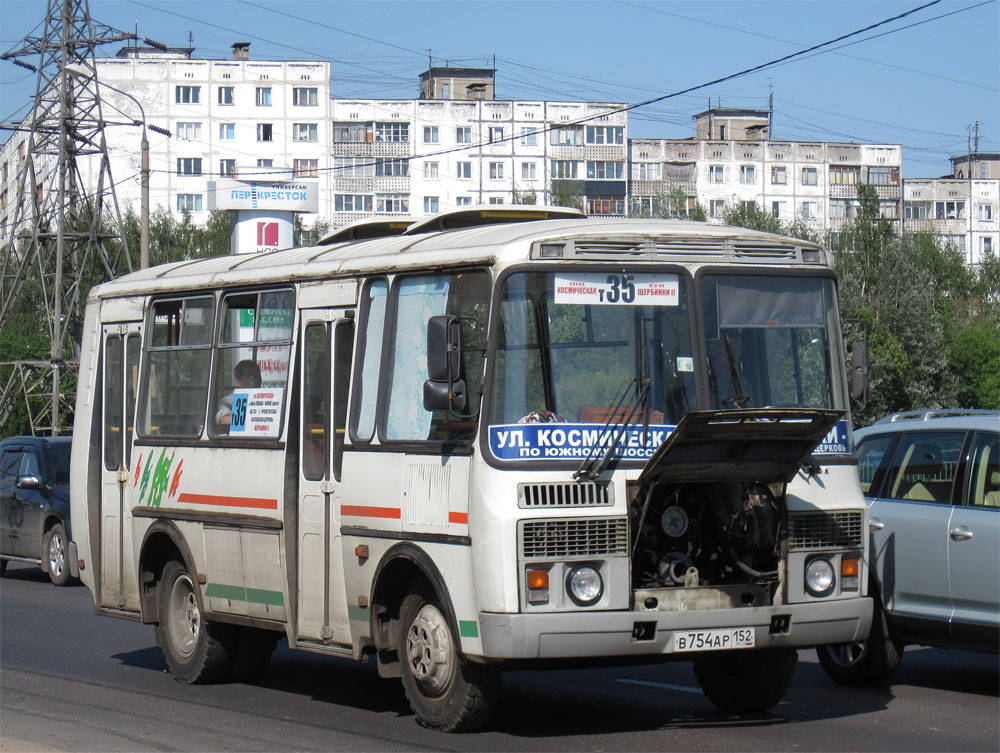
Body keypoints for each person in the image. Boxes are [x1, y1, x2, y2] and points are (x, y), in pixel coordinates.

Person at [707, 329, 753, 408]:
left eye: (738, 349)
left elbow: (751, 415)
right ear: (714, 350)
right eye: (731, 349)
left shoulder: (744, 385)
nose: (736, 354)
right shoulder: (703, 386)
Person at [215, 359, 262, 429]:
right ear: (238, 382)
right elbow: (223, 419)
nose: (254, 382)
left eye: (257, 377)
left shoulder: (266, 398)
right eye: (250, 378)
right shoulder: (229, 400)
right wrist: (253, 420)